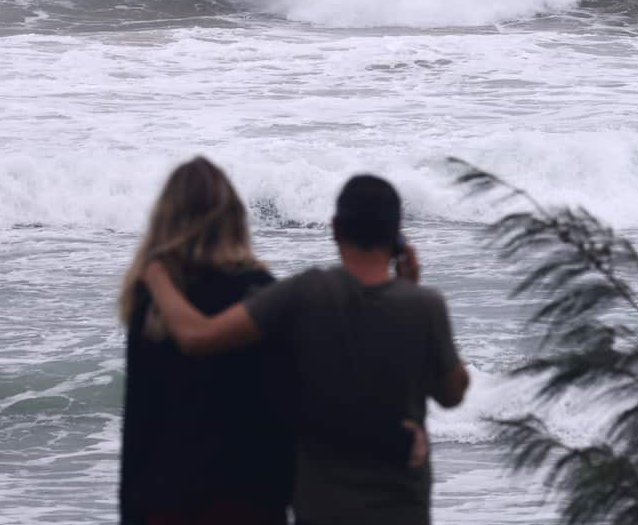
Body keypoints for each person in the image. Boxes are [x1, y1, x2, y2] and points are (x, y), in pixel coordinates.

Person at [143, 174, 470, 525]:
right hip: (402, 510)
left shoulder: (303, 295)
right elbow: (452, 393)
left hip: (322, 509)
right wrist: (411, 293)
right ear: (397, 236)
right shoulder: (424, 306)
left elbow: (197, 337)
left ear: (334, 230)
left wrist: (156, 274)